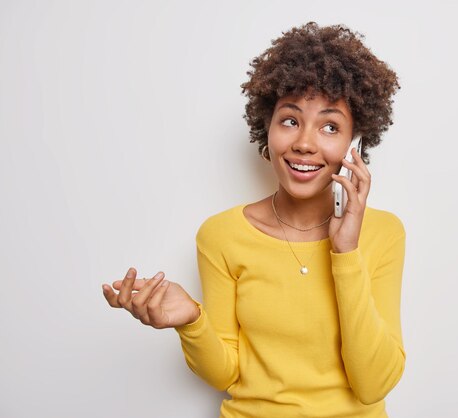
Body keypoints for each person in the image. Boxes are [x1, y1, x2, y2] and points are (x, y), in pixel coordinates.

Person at [102, 22, 405, 418]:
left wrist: (345, 252)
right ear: (267, 126)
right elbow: (226, 374)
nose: (305, 143)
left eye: (330, 126)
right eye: (290, 120)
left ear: (354, 143)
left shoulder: (383, 233)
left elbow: (373, 385)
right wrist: (192, 322)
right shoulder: (222, 235)